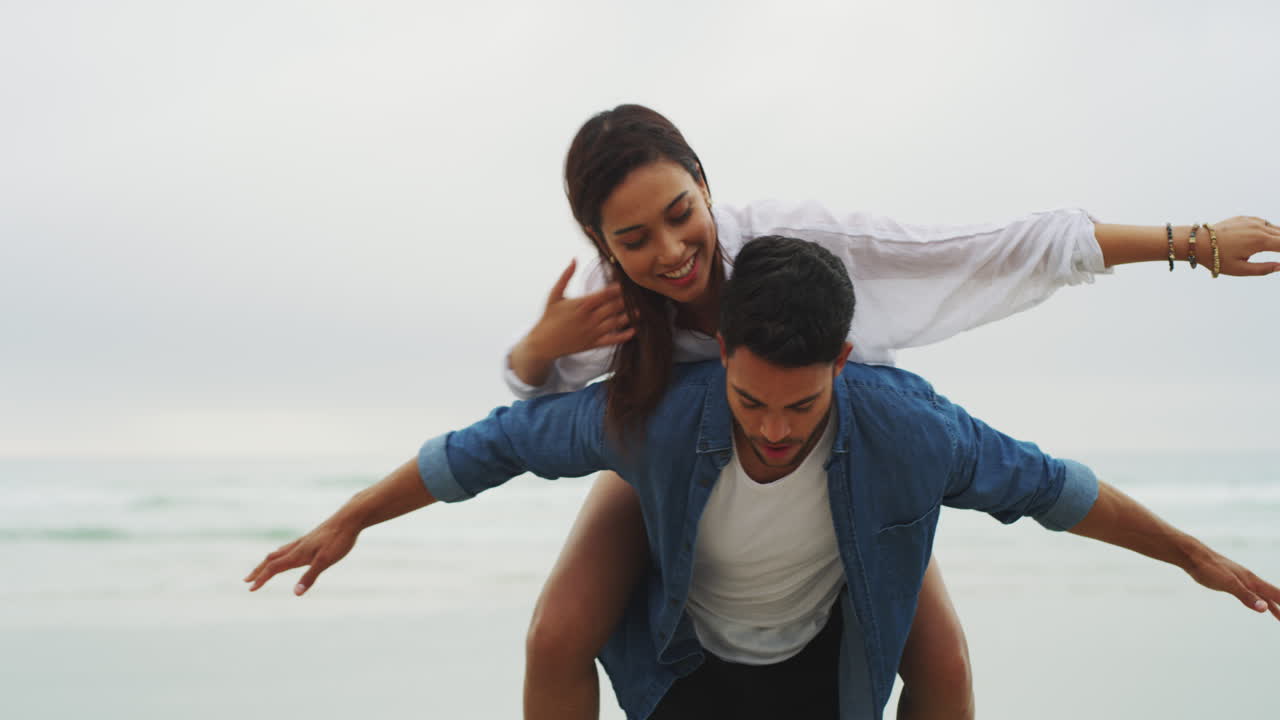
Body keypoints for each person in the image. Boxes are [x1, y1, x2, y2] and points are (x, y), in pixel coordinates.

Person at [245, 236, 1280, 720]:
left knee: (948, 661)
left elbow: (1053, 490)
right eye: (749, 403)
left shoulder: (904, 428)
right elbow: (490, 447)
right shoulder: (656, 416)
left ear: (841, 363)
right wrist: (349, 522)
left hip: (825, 664)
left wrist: (1191, 556)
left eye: (800, 404)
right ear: (722, 359)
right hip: (684, 664)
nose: (773, 432)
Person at [497, 105, 1280, 720]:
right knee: (555, 635)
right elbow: (539, 418)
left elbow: (991, 248)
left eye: (679, 213)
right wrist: (535, 349)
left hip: (837, 461)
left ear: (704, 181)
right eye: (633, 238)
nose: (668, 251)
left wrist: (1193, 242)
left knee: (945, 667)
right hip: (673, 474)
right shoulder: (609, 308)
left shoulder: (800, 245)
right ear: (600, 238)